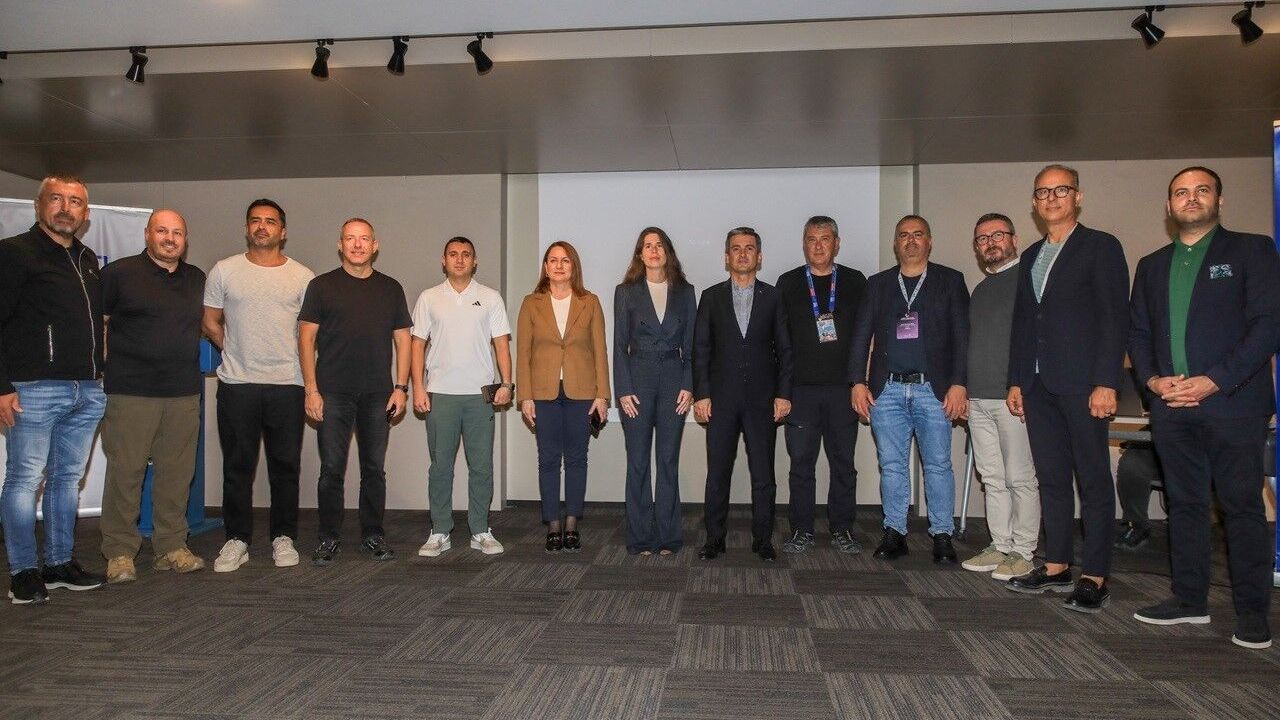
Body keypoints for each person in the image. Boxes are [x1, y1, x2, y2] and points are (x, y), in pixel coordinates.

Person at [1128, 166, 1280, 649]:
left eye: (1201, 190)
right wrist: (1153, 381)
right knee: (1185, 505)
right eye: (1181, 192)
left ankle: (1252, 613)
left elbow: (1269, 326)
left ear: (1219, 200)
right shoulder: (1152, 265)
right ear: (1169, 205)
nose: (1190, 198)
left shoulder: (1253, 250)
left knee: (1241, 507)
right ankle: (1189, 599)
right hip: (1171, 406)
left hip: (1234, 404)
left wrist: (1214, 381)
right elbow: (1139, 333)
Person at [1006, 165, 1129, 614]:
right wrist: (1016, 379)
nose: (1052, 198)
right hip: (1038, 385)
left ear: (1078, 197)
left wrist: (1106, 382)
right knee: (1052, 477)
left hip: (1083, 385)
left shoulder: (1100, 246)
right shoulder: (1031, 255)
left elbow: (1115, 318)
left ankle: (1095, 576)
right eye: (1043, 192)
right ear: (1034, 203)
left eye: (1061, 190)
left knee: (1093, 478)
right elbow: (1024, 321)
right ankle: (1057, 566)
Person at [0, 175, 107, 604]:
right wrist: (1, 385)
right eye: (57, 199)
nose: (66, 208)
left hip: (87, 389)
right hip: (33, 388)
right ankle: (23, 572)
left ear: (86, 213)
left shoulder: (87, 259)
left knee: (67, 479)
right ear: (39, 205)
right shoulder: (14, 253)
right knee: (24, 479)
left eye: (75, 201)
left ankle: (59, 563)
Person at [202, 199, 314, 572]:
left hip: (287, 384)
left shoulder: (303, 276)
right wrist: (233, 349)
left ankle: (284, 537)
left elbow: (309, 333)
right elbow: (210, 321)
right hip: (238, 384)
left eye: (270, 221)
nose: (262, 226)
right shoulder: (224, 270)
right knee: (238, 466)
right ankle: (237, 540)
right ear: (247, 228)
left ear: (283, 231)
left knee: (285, 466)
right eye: (255, 221)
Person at [850, 215, 969, 564]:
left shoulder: (950, 280)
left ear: (929, 241)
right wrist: (857, 381)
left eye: (918, 235)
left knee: (938, 465)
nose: (911, 240)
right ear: (895, 243)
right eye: (904, 235)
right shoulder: (878, 284)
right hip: (887, 391)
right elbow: (861, 336)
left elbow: (963, 337)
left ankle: (942, 534)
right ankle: (895, 532)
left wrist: (960, 383)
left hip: (934, 390)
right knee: (892, 466)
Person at [99, 209, 207, 583]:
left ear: (185, 239)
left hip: (183, 392)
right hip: (131, 392)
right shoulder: (118, 274)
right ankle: (119, 552)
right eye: (162, 230)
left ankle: (171, 546)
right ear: (147, 234)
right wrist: (103, 369)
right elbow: (100, 326)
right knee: (125, 473)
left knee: (177, 474)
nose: (170, 238)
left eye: (177, 232)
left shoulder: (197, 278)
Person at [299, 218, 412, 565]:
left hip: (378, 394)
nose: (358, 245)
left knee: (374, 469)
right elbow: (305, 338)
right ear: (340, 245)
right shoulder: (321, 286)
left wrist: (401, 388)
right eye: (351, 238)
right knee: (331, 469)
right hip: (332, 393)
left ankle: (372, 535)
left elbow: (404, 340)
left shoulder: (391, 288)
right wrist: (311, 390)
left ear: (375, 246)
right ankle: (328, 538)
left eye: (364, 239)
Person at [693, 227, 792, 562]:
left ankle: (763, 540)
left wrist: (783, 394)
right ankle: (714, 539)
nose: (743, 254)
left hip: (763, 401)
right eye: (736, 248)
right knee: (717, 474)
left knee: (764, 475)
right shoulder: (711, 297)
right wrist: (702, 394)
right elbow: (701, 349)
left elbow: (785, 350)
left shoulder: (774, 297)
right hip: (721, 400)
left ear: (759, 257)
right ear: (727, 257)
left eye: (749, 248)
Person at [412, 236, 513, 558]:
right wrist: (418, 387)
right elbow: (417, 344)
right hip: (440, 394)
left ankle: (480, 530)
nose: (459, 259)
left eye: (466, 254)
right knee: (440, 467)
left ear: (474, 261)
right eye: (453, 254)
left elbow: (501, 343)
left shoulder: (490, 297)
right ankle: (440, 530)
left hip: (479, 396)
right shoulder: (429, 298)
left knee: (481, 467)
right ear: (444, 261)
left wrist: (507, 383)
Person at [776, 216, 867, 554]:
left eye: (825, 239)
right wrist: (781, 391)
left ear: (836, 243)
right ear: (804, 244)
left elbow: (867, 335)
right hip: (801, 391)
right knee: (801, 465)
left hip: (844, 390)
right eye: (811, 239)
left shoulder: (856, 281)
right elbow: (779, 341)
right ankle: (802, 529)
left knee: (843, 464)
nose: (818, 245)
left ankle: (842, 529)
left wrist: (861, 381)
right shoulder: (787, 283)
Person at [516, 241, 609, 553]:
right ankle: (553, 524)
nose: (559, 265)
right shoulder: (531, 303)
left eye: (565, 260)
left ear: (574, 267)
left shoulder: (590, 302)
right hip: (543, 393)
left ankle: (571, 523)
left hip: (582, 392)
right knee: (548, 459)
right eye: (553, 260)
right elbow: (523, 353)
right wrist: (525, 396)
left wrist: (603, 395)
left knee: (577, 458)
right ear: (546, 268)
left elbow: (600, 350)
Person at [959, 213, 1038, 581]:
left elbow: (1036, 341)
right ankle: (1001, 544)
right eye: (982, 239)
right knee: (991, 477)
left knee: (1020, 477)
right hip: (978, 399)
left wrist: (1022, 384)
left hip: (1013, 398)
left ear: (1014, 239)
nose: (990, 243)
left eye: (997, 235)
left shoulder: (1029, 281)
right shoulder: (980, 289)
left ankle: (1024, 551)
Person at [614, 227, 696, 556]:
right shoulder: (626, 292)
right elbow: (619, 346)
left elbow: (691, 346)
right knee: (637, 462)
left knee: (667, 459)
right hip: (637, 381)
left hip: (674, 381)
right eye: (647, 245)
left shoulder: (685, 292)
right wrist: (623, 389)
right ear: (640, 254)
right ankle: (640, 537)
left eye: (659, 244)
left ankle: (668, 537)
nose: (653, 250)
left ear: (667, 251)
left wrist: (689, 384)